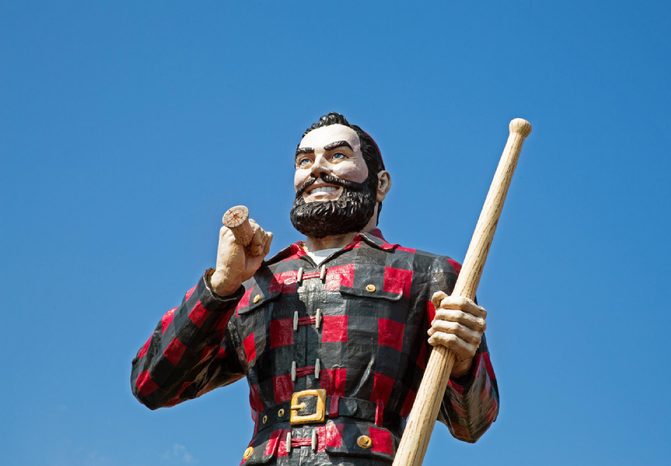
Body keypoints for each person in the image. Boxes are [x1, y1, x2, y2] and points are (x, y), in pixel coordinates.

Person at [131, 112, 499, 465]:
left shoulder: (428, 275)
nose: (317, 169)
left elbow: (473, 423)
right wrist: (220, 286)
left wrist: (464, 363)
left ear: (381, 183)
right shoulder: (253, 285)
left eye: (338, 155)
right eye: (304, 161)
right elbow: (152, 384)